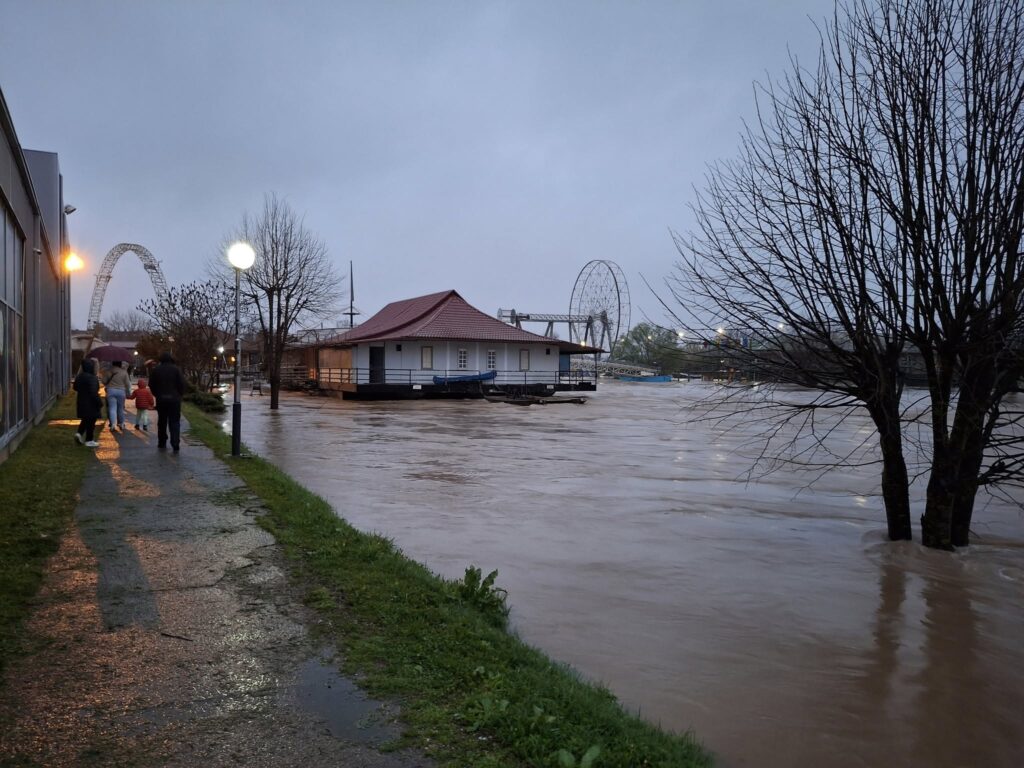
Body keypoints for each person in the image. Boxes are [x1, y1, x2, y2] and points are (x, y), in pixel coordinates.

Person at [149, 351, 186, 451]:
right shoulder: (176, 370)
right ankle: (175, 442)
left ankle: (162, 442)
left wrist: (157, 394)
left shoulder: (156, 370)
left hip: (161, 399)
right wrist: (179, 395)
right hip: (174, 400)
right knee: (174, 421)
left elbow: (151, 384)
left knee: (162, 421)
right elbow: (182, 384)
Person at [73, 359, 102, 448]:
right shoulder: (92, 378)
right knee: (91, 421)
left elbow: (75, 387)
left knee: (85, 419)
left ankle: (79, 433)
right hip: (91, 403)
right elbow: (94, 392)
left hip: (81, 401)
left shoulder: (79, 377)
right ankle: (89, 440)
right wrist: (99, 402)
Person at [103, 360, 131, 433]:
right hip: (121, 391)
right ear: (120, 364)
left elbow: (104, 381)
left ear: (113, 363)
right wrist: (128, 392)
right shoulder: (124, 372)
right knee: (120, 408)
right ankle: (121, 424)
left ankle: (113, 424)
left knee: (112, 408)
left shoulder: (109, 371)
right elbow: (128, 384)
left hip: (111, 391)